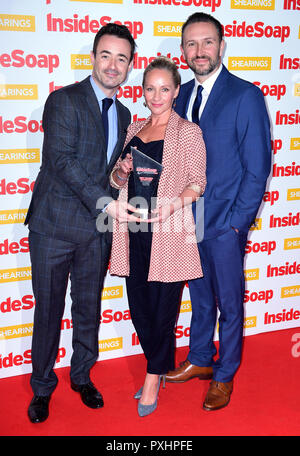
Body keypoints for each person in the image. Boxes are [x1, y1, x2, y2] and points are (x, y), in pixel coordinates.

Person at [25, 23, 138, 423]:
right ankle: (41, 388)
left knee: (88, 309)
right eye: (105, 55)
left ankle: (81, 376)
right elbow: (62, 162)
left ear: (129, 66)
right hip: (53, 227)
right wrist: (107, 200)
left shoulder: (125, 115)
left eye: (121, 58)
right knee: (49, 311)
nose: (112, 65)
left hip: (95, 232)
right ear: (93, 58)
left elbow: (105, 173)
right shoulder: (63, 101)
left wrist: (120, 179)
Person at [165, 12, 272, 411]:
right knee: (201, 299)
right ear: (182, 52)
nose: (199, 51)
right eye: (191, 44)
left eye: (207, 42)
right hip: (188, 223)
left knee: (229, 302)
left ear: (222, 46)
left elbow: (258, 167)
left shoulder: (246, 95)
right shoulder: (183, 96)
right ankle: (199, 360)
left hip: (225, 224)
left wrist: (236, 225)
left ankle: (224, 375)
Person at [109, 56, 206, 417]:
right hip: (132, 233)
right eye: (151, 88)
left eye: (165, 89)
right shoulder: (134, 129)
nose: (157, 95)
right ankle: (159, 363)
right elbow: (115, 183)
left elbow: (198, 183)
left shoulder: (188, 132)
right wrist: (121, 170)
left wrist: (173, 205)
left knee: (163, 312)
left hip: (169, 233)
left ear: (176, 91)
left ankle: (153, 376)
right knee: (139, 310)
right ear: (144, 90)